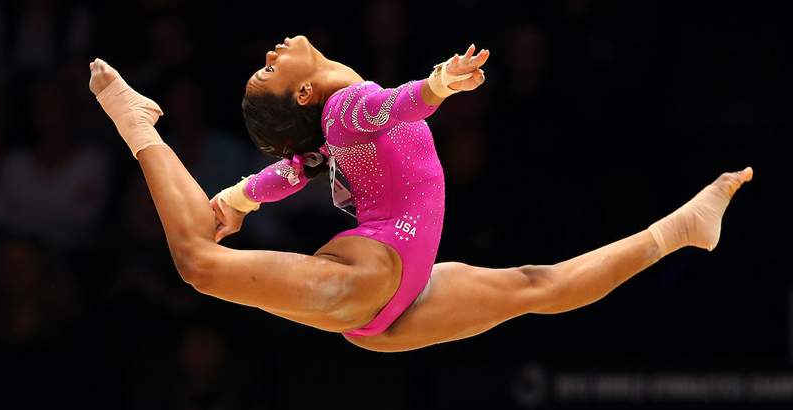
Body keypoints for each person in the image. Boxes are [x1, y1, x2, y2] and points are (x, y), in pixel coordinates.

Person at [88, 35, 752, 352]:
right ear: (301, 90)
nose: (271, 50)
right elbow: (392, 109)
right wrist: (436, 88)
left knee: (536, 286)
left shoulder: (331, 127)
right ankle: (137, 123)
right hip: (376, 274)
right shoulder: (349, 106)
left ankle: (679, 229)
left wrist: (238, 198)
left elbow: (300, 168)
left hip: (391, 306)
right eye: (268, 68)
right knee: (199, 265)